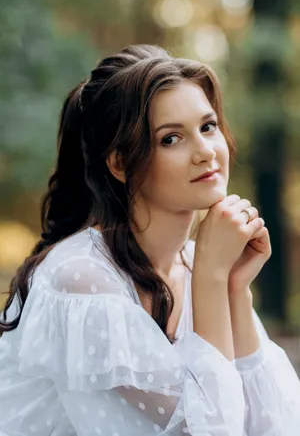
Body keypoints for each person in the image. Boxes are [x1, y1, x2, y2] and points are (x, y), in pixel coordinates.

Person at [0, 44, 299, 436]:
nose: (206, 152)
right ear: (120, 163)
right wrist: (209, 278)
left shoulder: (194, 263)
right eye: (171, 139)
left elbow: (277, 424)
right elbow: (207, 431)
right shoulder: (81, 285)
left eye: (208, 127)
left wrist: (234, 289)